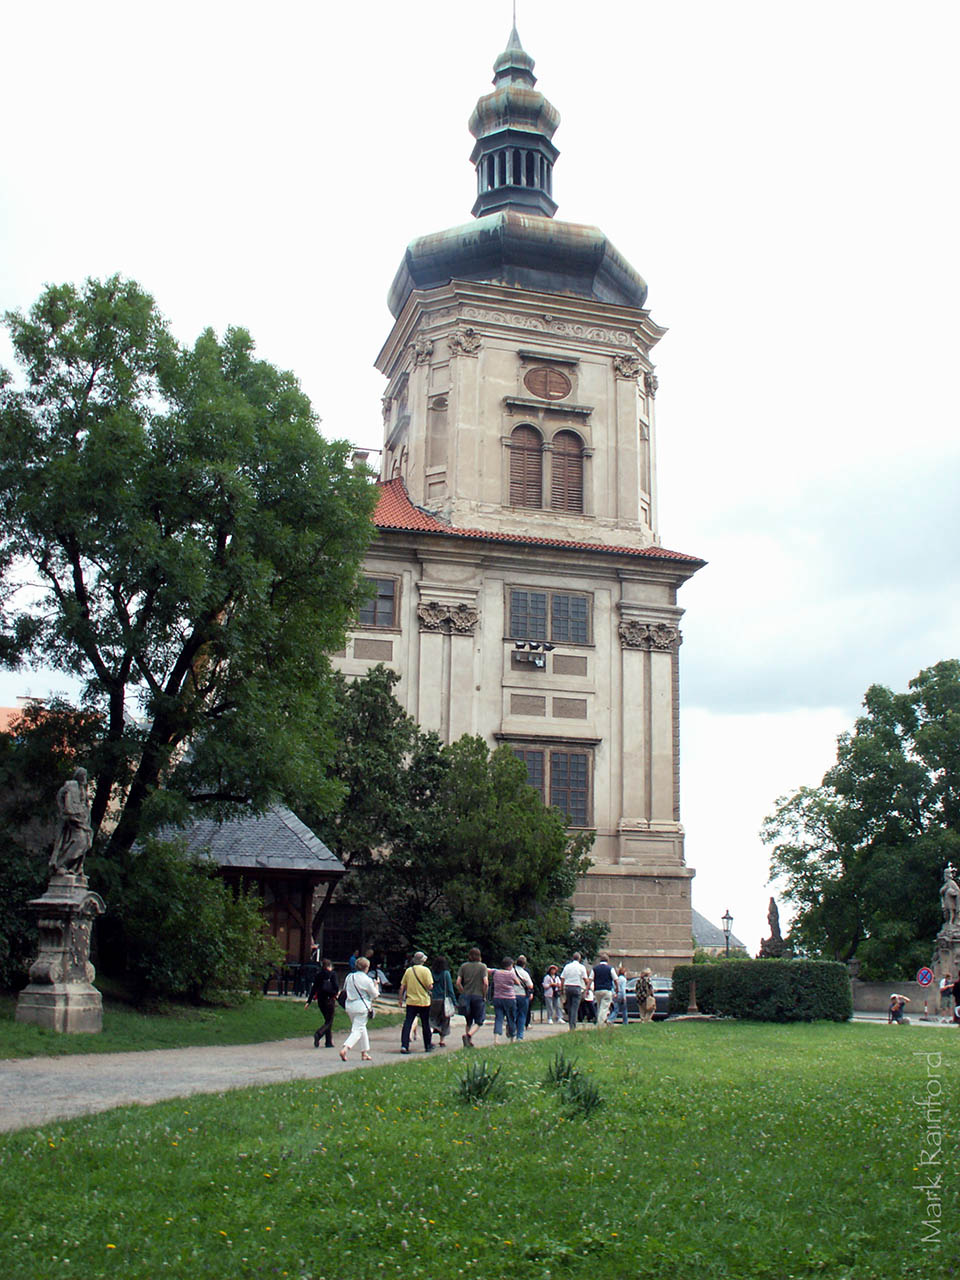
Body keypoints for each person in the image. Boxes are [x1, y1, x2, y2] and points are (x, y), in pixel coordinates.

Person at [49, 768, 93, 876]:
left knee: (86, 842)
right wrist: (65, 810)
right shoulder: (71, 786)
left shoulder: (83, 789)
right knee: (80, 841)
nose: (84, 778)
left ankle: (74, 868)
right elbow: (61, 796)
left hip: (83, 820)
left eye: (85, 775)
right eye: (82, 775)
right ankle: (61, 864)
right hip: (73, 819)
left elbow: (86, 804)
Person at [339, 956, 378, 1062]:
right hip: (362, 1007)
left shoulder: (349, 977)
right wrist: (376, 985)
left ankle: (364, 1052)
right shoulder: (367, 980)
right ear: (367, 968)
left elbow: (344, 989)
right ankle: (345, 1048)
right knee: (357, 1030)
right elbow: (375, 995)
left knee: (361, 1028)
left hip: (350, 1006)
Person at [399, 951, 434, 1054]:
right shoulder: (426, 971)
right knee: (425, 1024)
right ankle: (427, 1045)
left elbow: (402, 986)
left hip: (411, 1001)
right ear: (423, 960)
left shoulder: (409, 971)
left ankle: (404, 1045)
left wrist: (400, 999)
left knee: (408, 1023)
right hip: (423, 1001)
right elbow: (430, 986)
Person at [456, 947, 489, 1047]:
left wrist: (463, 992)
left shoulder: (464, 966)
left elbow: (458, 982)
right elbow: (486, 983)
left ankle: (468, 1041)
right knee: (479, 1020)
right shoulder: (483, 967)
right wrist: (484, 994)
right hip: (478, 996)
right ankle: (469, 1036)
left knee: (468, 1020)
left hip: (466, 995)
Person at [305, 957, 340, 1048]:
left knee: (327, 1019)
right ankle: (319, 1034)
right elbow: (336, 987)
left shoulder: (318, 975)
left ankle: (328, 1042)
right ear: (329, 966)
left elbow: (314, 988)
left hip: (321, 999)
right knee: (329, 1020)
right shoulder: (332, 974)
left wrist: (308, 1001)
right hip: (329, 999)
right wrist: (336, 994)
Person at [429, 955, 456, 1048]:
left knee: (432, 1019)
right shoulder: (446, 974)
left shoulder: (431, 973)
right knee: (445, 1020)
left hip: (433, 999)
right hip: (444, 1000)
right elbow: (450, 989)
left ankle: (430, 1035)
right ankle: (442, 1041)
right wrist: (454, 1002)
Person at [490, 957, 518, 1045]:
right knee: (511, 1018)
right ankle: (512, 1038)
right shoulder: (511, 974)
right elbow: (518, 983)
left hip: (497, 997)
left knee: (498, 1018)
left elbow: (487, 970)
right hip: (509, 998)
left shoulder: (496, 972)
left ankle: (496, 1038)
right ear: (510, 966)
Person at [560, 952, 587, 1029]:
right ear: (579, 959)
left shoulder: (567, 966)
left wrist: (562, 989)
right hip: (576, 987)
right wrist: (587, 987)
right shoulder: (581, 967)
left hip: (568, 987)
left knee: (570, 1006)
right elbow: (585, 979)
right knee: (575, 1007)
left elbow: (562, 978)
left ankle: (570, 1024)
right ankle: (573, 1026)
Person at [512, 955, 534, 1040]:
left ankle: (512, 1032)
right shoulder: (525, 973)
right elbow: (530, 985)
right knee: (522, 1015)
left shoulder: (511, 971)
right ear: (524, 964)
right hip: (522, 995)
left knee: (513, 1014)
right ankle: (519, 1036)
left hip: (512, 995)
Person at [591, 952, 616, 1027]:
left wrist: (587, 989)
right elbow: (615, 979)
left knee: (599, 1007)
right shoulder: (610, 969)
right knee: (604, 1008)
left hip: (597, 990)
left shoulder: (595, 969)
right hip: (607, 990)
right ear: (607, 960)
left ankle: (601, 1021)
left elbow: (590, 979)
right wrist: (617, 989)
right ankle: (600, 1024)